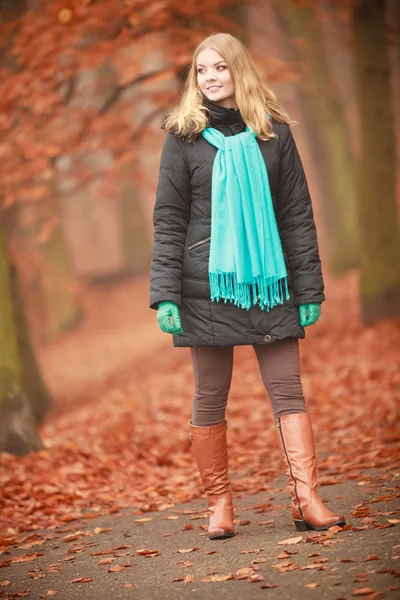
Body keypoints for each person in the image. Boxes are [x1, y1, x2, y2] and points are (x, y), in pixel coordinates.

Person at [149, 32, 346, 540]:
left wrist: (309, 289)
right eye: (201, 70)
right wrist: (165, 292)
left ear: (239, 71)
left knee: (288, 391)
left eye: (220, 67)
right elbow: (169, 219)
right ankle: (219, 506)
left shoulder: (274, 132)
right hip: (205, 286)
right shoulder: (183, 136)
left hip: (270, 280)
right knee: (210, 396)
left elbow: (297, 215)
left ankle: (307, 497)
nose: (210, 78)